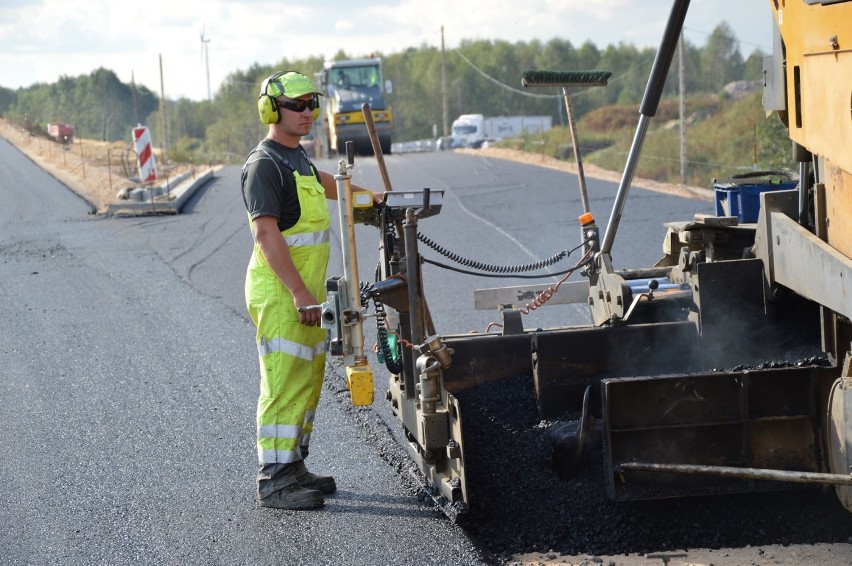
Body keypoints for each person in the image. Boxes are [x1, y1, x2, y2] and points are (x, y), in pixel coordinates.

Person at [241, 70, 378, 510]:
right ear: (270, 110)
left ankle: (294, 464)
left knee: (308, 378)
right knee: (283, 382)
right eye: (297, 105)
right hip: (282, 293)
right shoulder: (265, 165)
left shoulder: (297, 160)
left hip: (306, 294)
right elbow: (267, 235)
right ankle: (273, 480)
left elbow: (333, 187)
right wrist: (301, 294)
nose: (308, 113)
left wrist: (376, 201)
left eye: (311, 104)